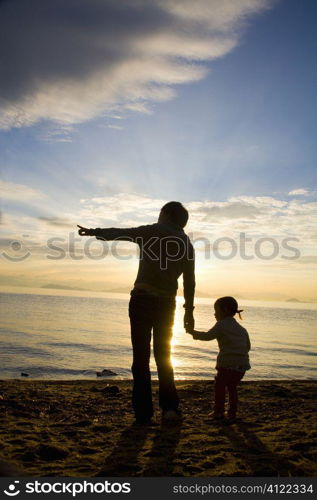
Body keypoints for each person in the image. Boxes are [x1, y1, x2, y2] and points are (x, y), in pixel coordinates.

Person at [78, 201, 195, 424]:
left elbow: (122, 233)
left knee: (140, 359)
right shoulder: (187, 244)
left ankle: (143, 414)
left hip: (142, 299)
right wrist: (189, 311)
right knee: (164, 357)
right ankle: (170, 409)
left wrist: (94, 232)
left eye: (161, 213)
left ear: (166, 215)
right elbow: (190, 282)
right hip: (168, 303)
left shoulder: (152, 230)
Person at [188, 296, 250, 421]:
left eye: (216, 311)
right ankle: (232, 412)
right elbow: (248, 347)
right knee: (232, 388)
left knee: (220, 386)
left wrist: (193, 332)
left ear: (225, 310)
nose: (214, 314)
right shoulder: (242, 329)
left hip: (227, 364)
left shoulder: (221, 325)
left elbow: (207, 336)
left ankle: (218, 411)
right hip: (242, 365)